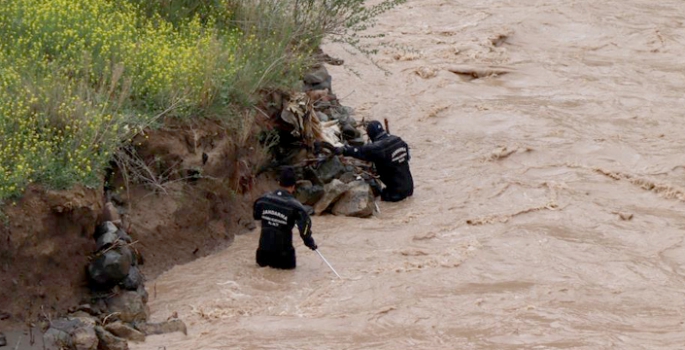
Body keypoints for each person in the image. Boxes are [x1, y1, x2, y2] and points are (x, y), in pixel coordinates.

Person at [253, 166, 318, 269]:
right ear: (293, 186)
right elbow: (305, 229)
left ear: (279, 183)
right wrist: (310, 243)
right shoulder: (296, 207)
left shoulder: (262, 200)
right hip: (283, 257)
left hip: (263, 254)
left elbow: (256, 216)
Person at [336, 120, 414, 202]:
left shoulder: (378, 148)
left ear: (371, 134)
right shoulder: (399, 141)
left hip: (395, 193)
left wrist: (344, 150)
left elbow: (360, 151)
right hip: (410, 188)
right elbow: (405, 158)